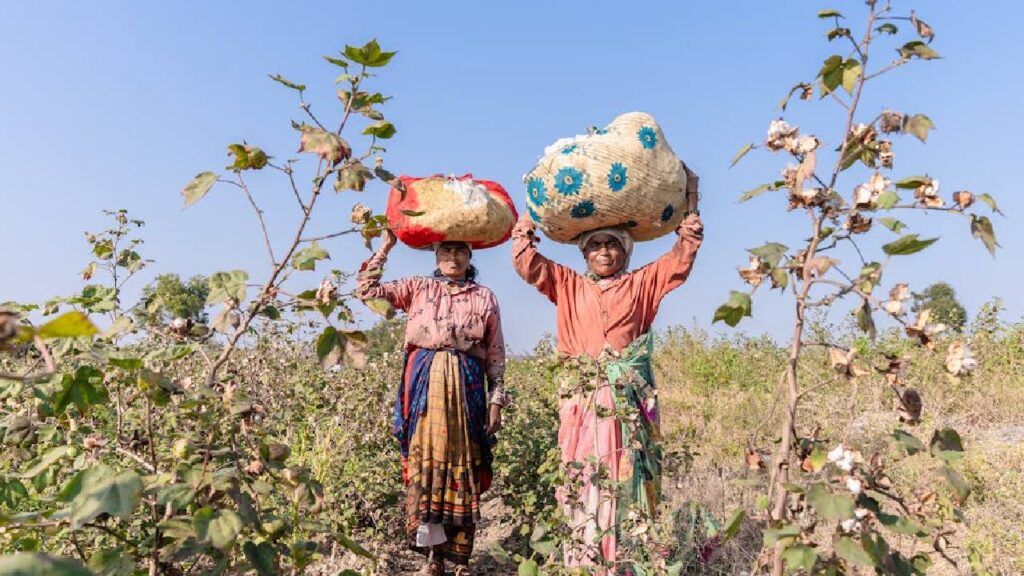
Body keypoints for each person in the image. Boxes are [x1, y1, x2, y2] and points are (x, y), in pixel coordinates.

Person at [511, 171, 703, 574]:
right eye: (595, 245)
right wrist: (528, 213)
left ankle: (627, 559)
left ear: (625, 252)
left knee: (626, 471)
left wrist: (692, 196)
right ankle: (585, 559)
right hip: (580, 400)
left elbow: (681, 256)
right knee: (582, 475)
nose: (603, 252)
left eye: (612, 245)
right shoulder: (565, 283)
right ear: (584, 254)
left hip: (627, 403)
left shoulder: (642, 284)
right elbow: (527, 264)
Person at [357, 229, 509, 576]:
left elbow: (496, 355)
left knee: (464, 462)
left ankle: (460, 559)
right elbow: (368, 292)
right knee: (427, 464)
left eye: (460, 251)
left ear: (470, 256)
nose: (453, 258)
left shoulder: (485, 297)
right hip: (424, 382)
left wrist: (496, 400)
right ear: (436, 255)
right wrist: (385, 247)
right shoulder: (417, 288)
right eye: (446, 250)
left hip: (467, 385)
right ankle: (433, 558)